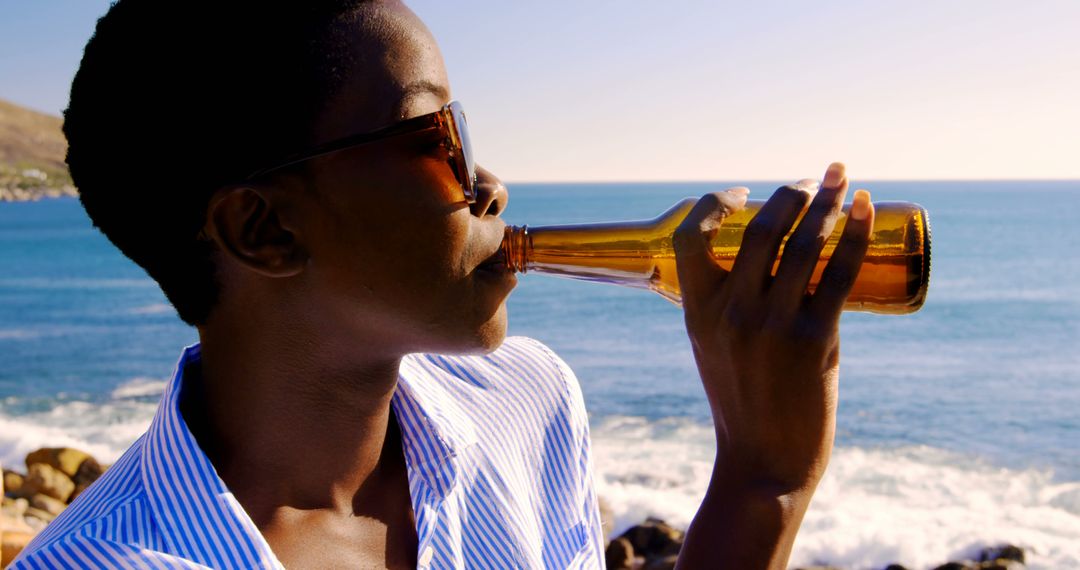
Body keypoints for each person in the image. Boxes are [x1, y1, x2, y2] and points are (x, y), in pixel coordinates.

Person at [12, 1, 874, 568]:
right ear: (265, 230)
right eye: (435, 137)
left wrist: (767, 474)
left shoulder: (524, 398)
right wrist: (764, 483)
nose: (489, 183)